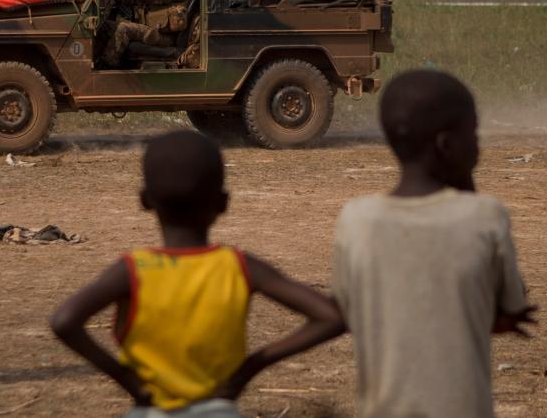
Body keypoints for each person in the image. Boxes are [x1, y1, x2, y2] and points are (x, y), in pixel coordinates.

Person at [51, 130, 344, 416]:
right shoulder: (239, 266)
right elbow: (330, 317)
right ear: (223, 203)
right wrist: (252, 366)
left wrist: (130, 381)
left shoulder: (132, 270)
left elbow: (64, 321)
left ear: (145, 200)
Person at [330, 69, 536, 418]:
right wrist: (466, 182)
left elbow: (349, 310)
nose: (478, 144)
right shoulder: (486, 216)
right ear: (446, 145)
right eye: (474, 133)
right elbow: (508, 307)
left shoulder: (356, 220)